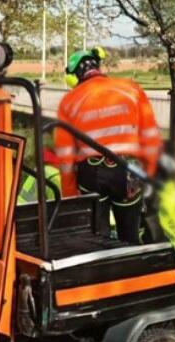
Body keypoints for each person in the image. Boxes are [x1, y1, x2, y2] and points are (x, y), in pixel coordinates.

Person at [53, 47, 162, 244]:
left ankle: (101, 267)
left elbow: (65, 156)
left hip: (91, 174)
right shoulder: (131, 89)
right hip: (128, 172)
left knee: (96, 237)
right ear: (98, 67)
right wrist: (150, 173)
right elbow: (150, 136)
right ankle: (132, 264)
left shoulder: (68, 102)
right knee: (130, 234)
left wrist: (70, 196)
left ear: (74, 76)